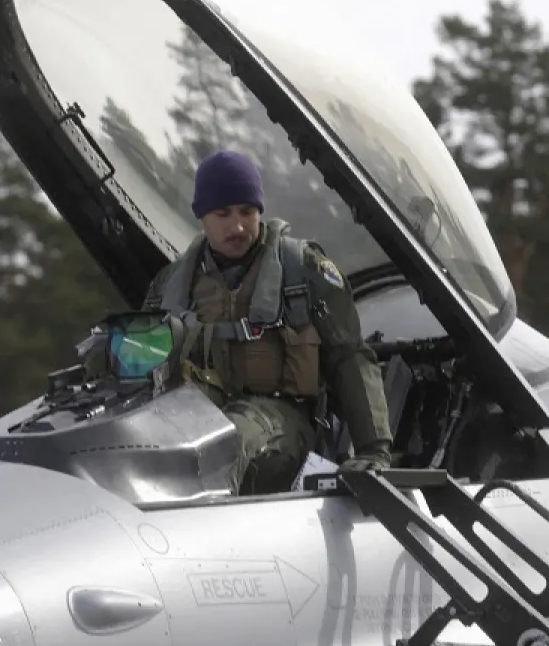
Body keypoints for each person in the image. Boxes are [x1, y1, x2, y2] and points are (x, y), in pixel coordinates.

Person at [140, 149, 394, 494]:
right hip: (194, 413)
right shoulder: (171, 286)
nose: (238, 226)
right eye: (223, 213)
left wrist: (373, 450)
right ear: (202, 217)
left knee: (227, 441)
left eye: (247, 211)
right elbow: (140, 367)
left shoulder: (302, 270)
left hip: (281, 418)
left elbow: (349, 355)